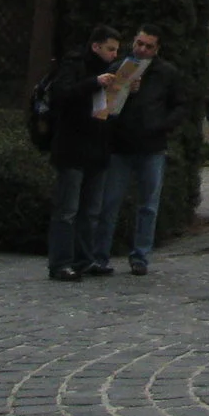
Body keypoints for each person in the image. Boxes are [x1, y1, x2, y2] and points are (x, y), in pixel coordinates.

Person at [91, 26, 194, 277]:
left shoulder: (166, 73)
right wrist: (125, 90)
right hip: (121, 147)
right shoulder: (119, 68)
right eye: (139, 43)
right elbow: (104, 109)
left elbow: (181, 105)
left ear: (156, 49)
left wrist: (162, 127)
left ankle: (140, 256)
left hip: (152, 147)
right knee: (110, 203)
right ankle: (99, 256)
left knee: (148, 205)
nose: (142, 49)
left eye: (148, 46)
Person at [45, 26, 122, 281]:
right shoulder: (74, 65)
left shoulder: (112, 72)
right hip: (73, 147)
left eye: (116, 50)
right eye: (110, 49)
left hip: (97, 148)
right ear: (96, 46)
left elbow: (110, 111)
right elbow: (62, 95)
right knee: (67, 210)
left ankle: (85, 259)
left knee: (91, 210)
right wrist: (94, 82)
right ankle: (60, 263)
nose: (113, 54)